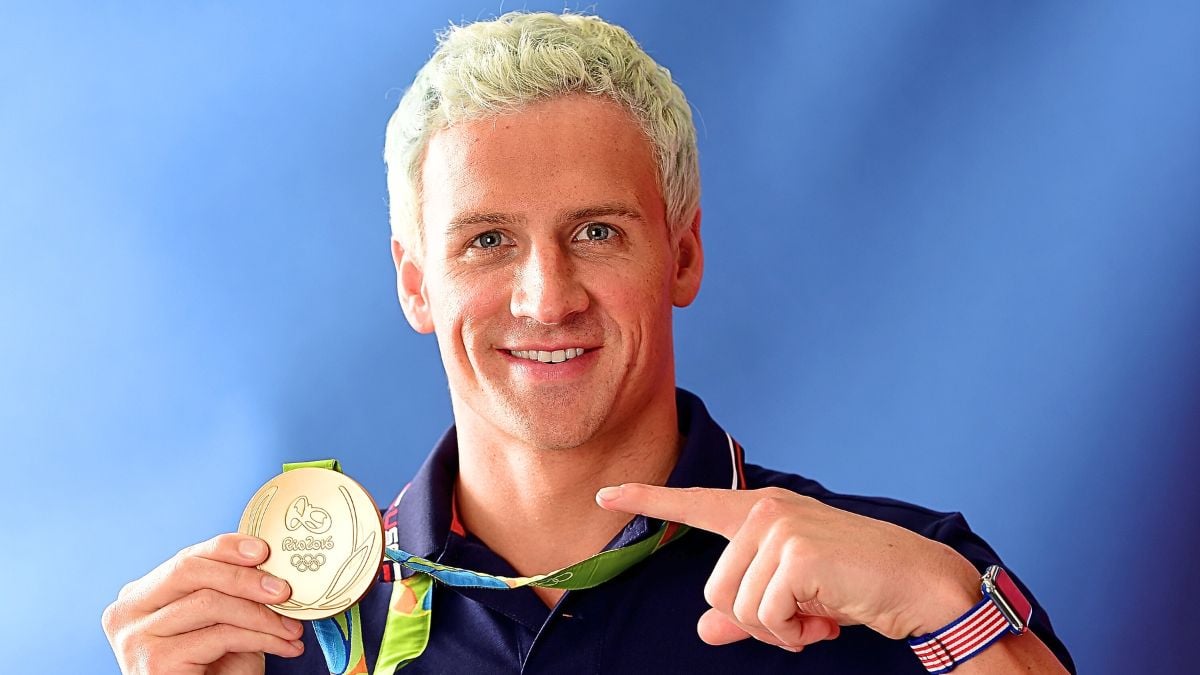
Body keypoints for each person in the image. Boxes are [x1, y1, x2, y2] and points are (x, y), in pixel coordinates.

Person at [102, 11, 1075, 674]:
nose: (546, 295)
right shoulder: (272, 640)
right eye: (488, 241)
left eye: (597, 233)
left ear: (684, 255)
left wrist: (950, 615)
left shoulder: (914, 590)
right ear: (414, 284)